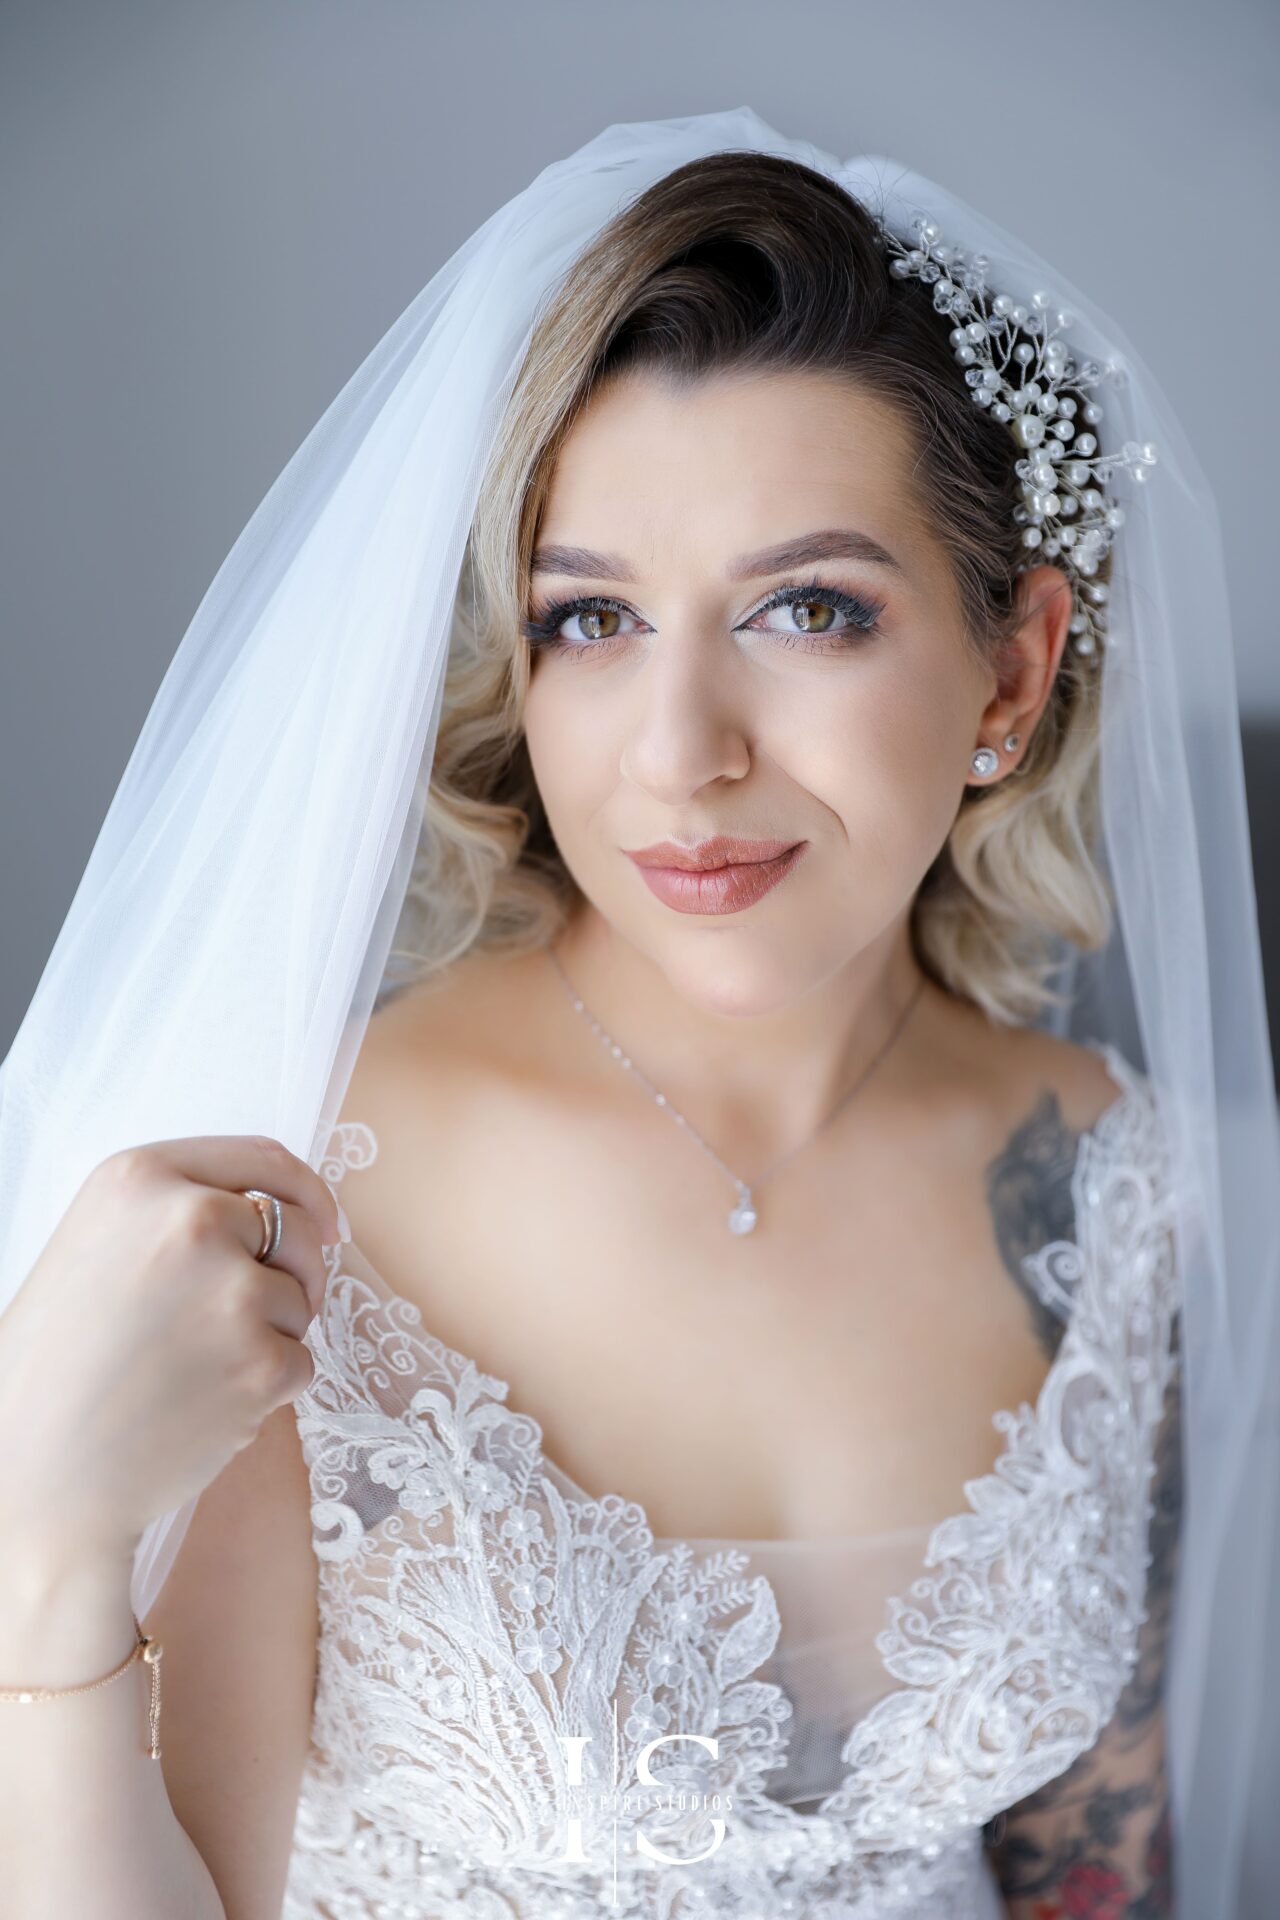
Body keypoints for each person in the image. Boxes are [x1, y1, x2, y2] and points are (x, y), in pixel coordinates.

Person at [0, 108, 1274, 1920]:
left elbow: (1092, 1869)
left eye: (808, 608)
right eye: (591, 623)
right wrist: (45, 1546)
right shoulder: (287, 1190)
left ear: (1011, 665)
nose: (681, 757)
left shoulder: (1106, 1176)